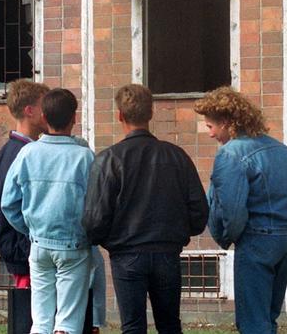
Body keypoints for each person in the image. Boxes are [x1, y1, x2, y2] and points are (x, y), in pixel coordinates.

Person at [82, 83, 209, 334]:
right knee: (170, 324)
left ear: (119, 115)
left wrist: (109, 241)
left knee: (132, 327)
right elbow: (199, 212)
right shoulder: (176, 156)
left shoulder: (109, 159)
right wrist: (179, 232)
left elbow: (95, 220)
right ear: (151, 113)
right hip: (167, 251)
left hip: (126, 254)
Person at [194, 86, 287, 334]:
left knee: (252, 322)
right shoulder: (281, 149)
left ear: (225, 123)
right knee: (268, 317)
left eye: (210, 127)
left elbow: (232, 209)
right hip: (286, 239)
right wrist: (286, 226)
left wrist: (228, 237)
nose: (210, 134)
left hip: (256, 241)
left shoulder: (230, 154)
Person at [1, 88, 94, 334]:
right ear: (74, 117)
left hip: (39, 244)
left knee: (40, 321)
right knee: (68, 322)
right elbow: (97, 205)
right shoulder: (85, 157)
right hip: (74, 245)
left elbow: (8, 203)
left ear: (44, 116)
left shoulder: (27, 153)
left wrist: (30, 228)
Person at [0, 79, 49, 288]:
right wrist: (28, 248)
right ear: (30, 111)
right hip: (25, 257)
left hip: (23, 254)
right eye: (44, 106)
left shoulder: (12, 150)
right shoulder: (20, 153)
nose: (48, 112)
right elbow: (5, 208)